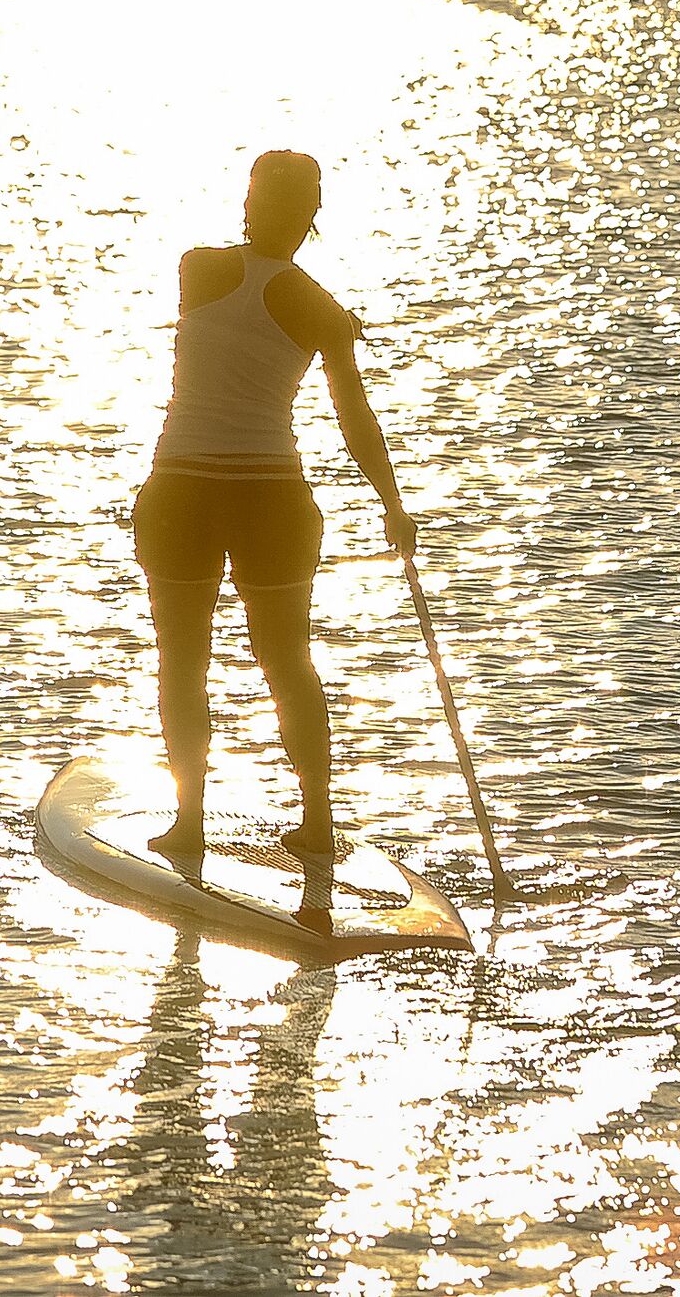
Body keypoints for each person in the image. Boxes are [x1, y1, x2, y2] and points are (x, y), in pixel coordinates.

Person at [133, 149, 413, 870]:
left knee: (183, 660)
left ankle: (190, 818)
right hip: (270, 500)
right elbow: (355, 417)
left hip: (185, 493)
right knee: (288, 659)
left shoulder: (197, 267)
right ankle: (317, 819)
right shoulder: (320, 308)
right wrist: (394, 505)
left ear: (251, 204)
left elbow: (252, 292)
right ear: (312, 217)